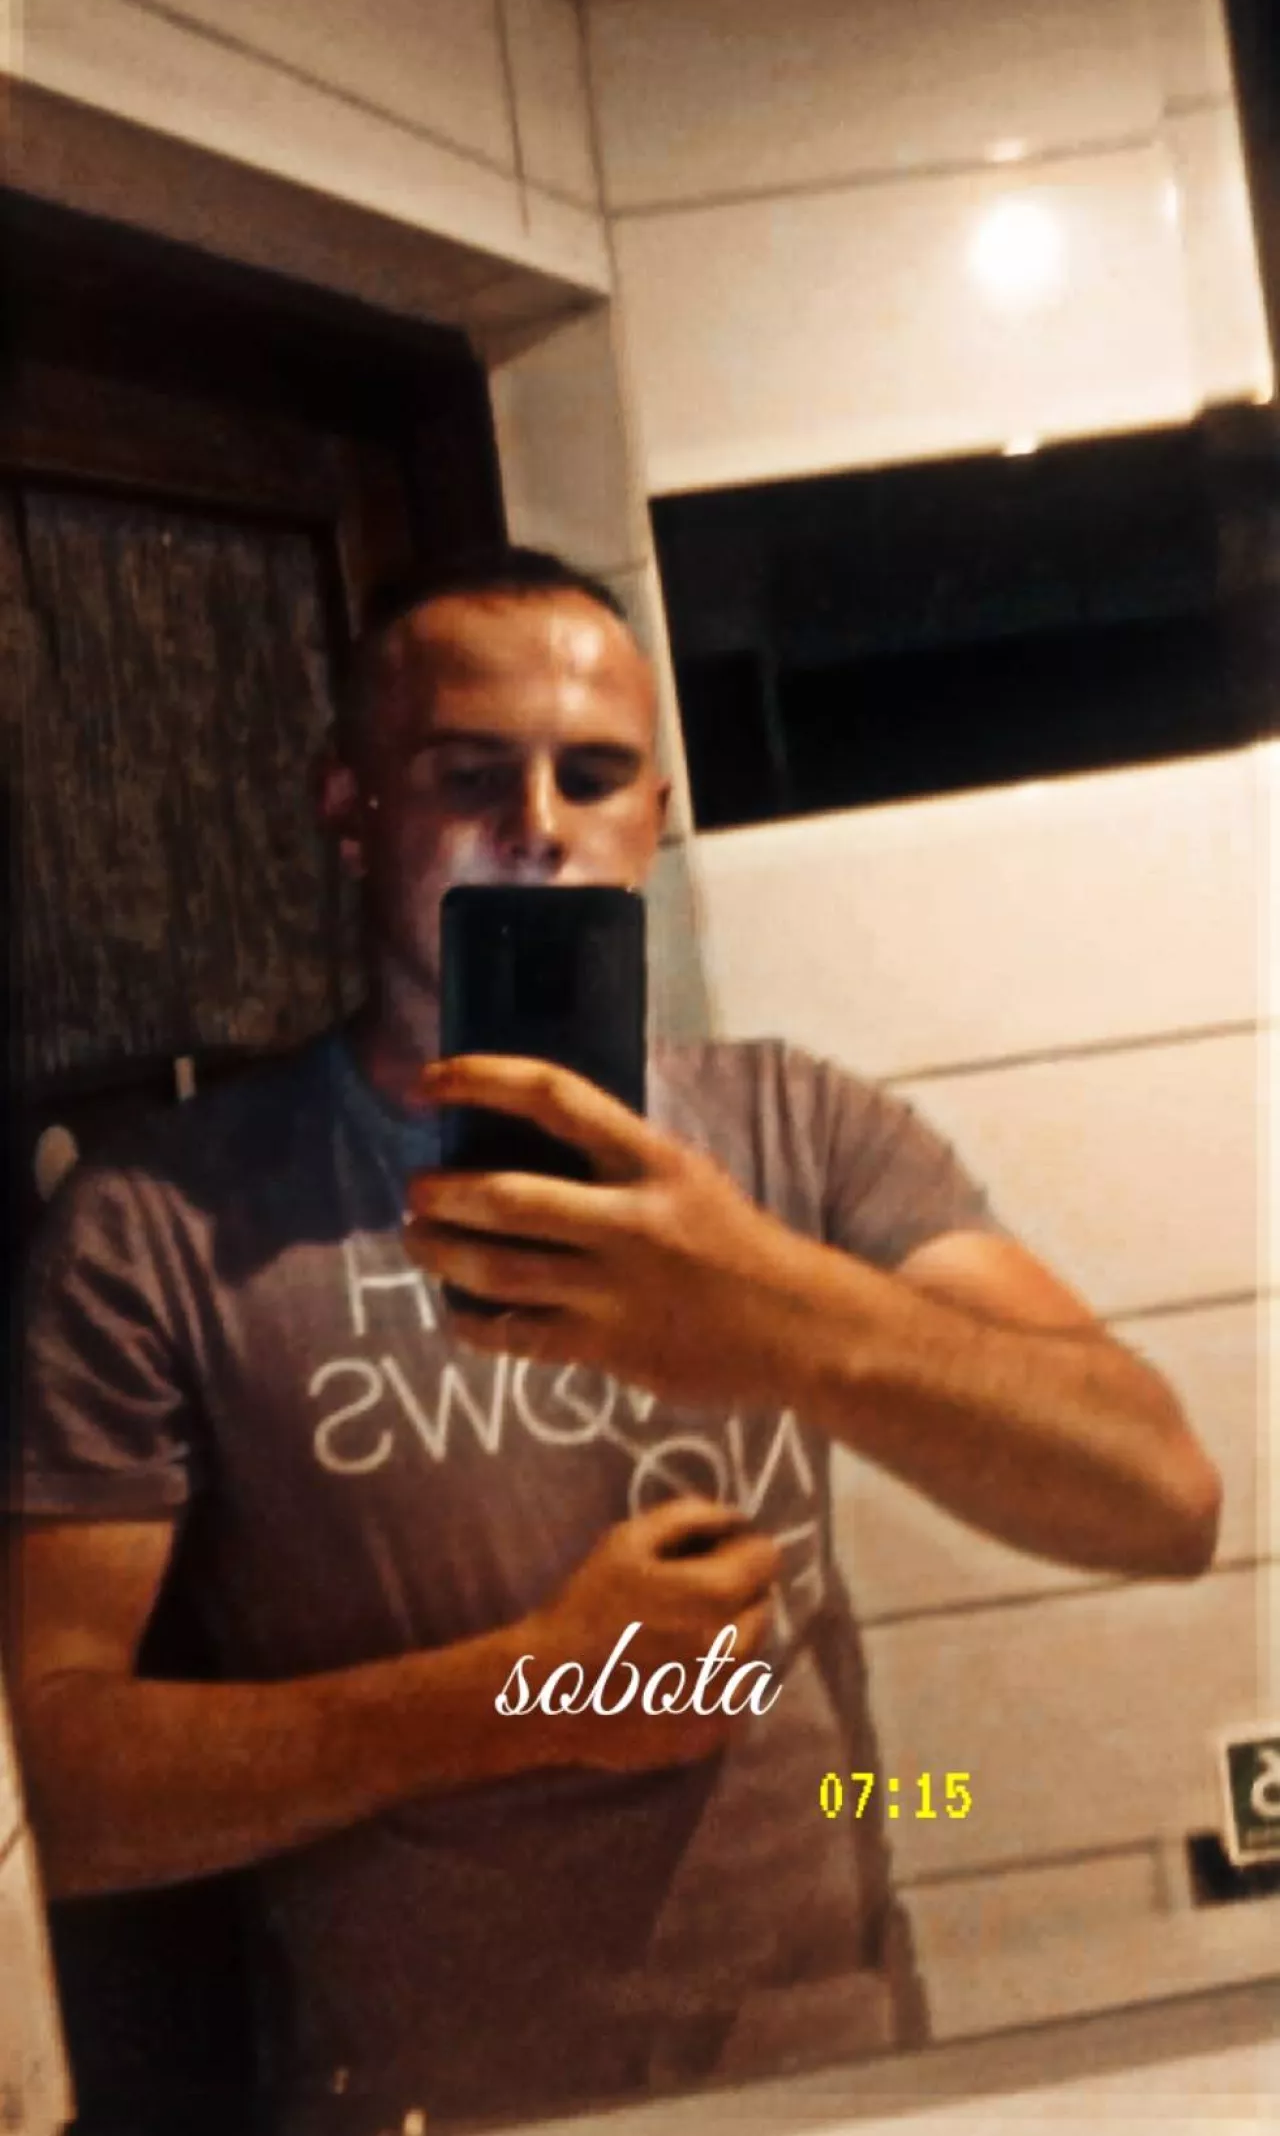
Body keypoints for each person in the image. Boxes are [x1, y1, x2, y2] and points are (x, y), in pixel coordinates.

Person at [8, 546, 1222, 2136]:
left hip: (848, 2088)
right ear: (348, 804)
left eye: (592, 777)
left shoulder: (795, 1131)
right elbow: (58, 1795)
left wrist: (776, 1316)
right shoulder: (161, 1226)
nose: (537, 824)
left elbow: (1162, 1498)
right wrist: (522, 1694)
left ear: (654, 816)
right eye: (469, 775)